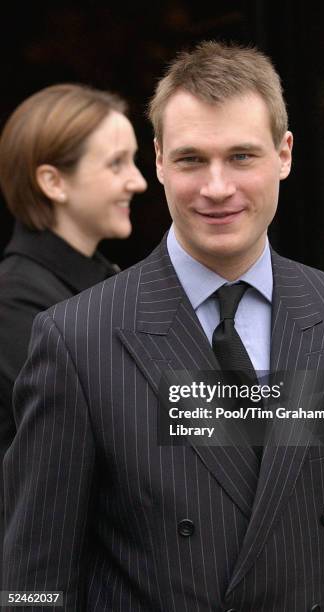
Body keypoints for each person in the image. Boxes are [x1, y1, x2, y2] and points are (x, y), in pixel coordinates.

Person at [3, 42, 324, 611]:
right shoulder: (76, 338)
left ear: (285, 154)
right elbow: (33, 584)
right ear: (161, 160)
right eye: (193, 159)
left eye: (242, 156)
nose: (217, 188)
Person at [0, 83, 147, 587]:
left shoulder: (105, 282)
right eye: (117, 163)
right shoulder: (15, 304)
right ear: (53, 181)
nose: (139, 181)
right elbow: (134, 426)